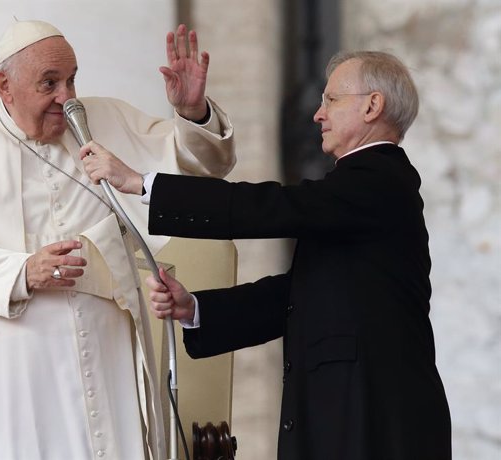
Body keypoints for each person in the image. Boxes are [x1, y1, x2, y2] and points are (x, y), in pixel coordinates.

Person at [0, 19, 235, 460]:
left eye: (71, 80)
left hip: (98, 360)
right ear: (4, 86)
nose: (67, 98)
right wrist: (21, 272)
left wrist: (192, 114)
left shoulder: (105, 120)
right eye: (49, 83)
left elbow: (201, 170)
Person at [81, 51, 451, 460]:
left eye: (331, 100)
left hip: (375, 423)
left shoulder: (379, 178)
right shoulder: (359, 191)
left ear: (372, 105)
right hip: (350, 420)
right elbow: (296, 296)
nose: (317, 114)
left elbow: (274, 207)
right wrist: (195, 309)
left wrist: (142, 184)